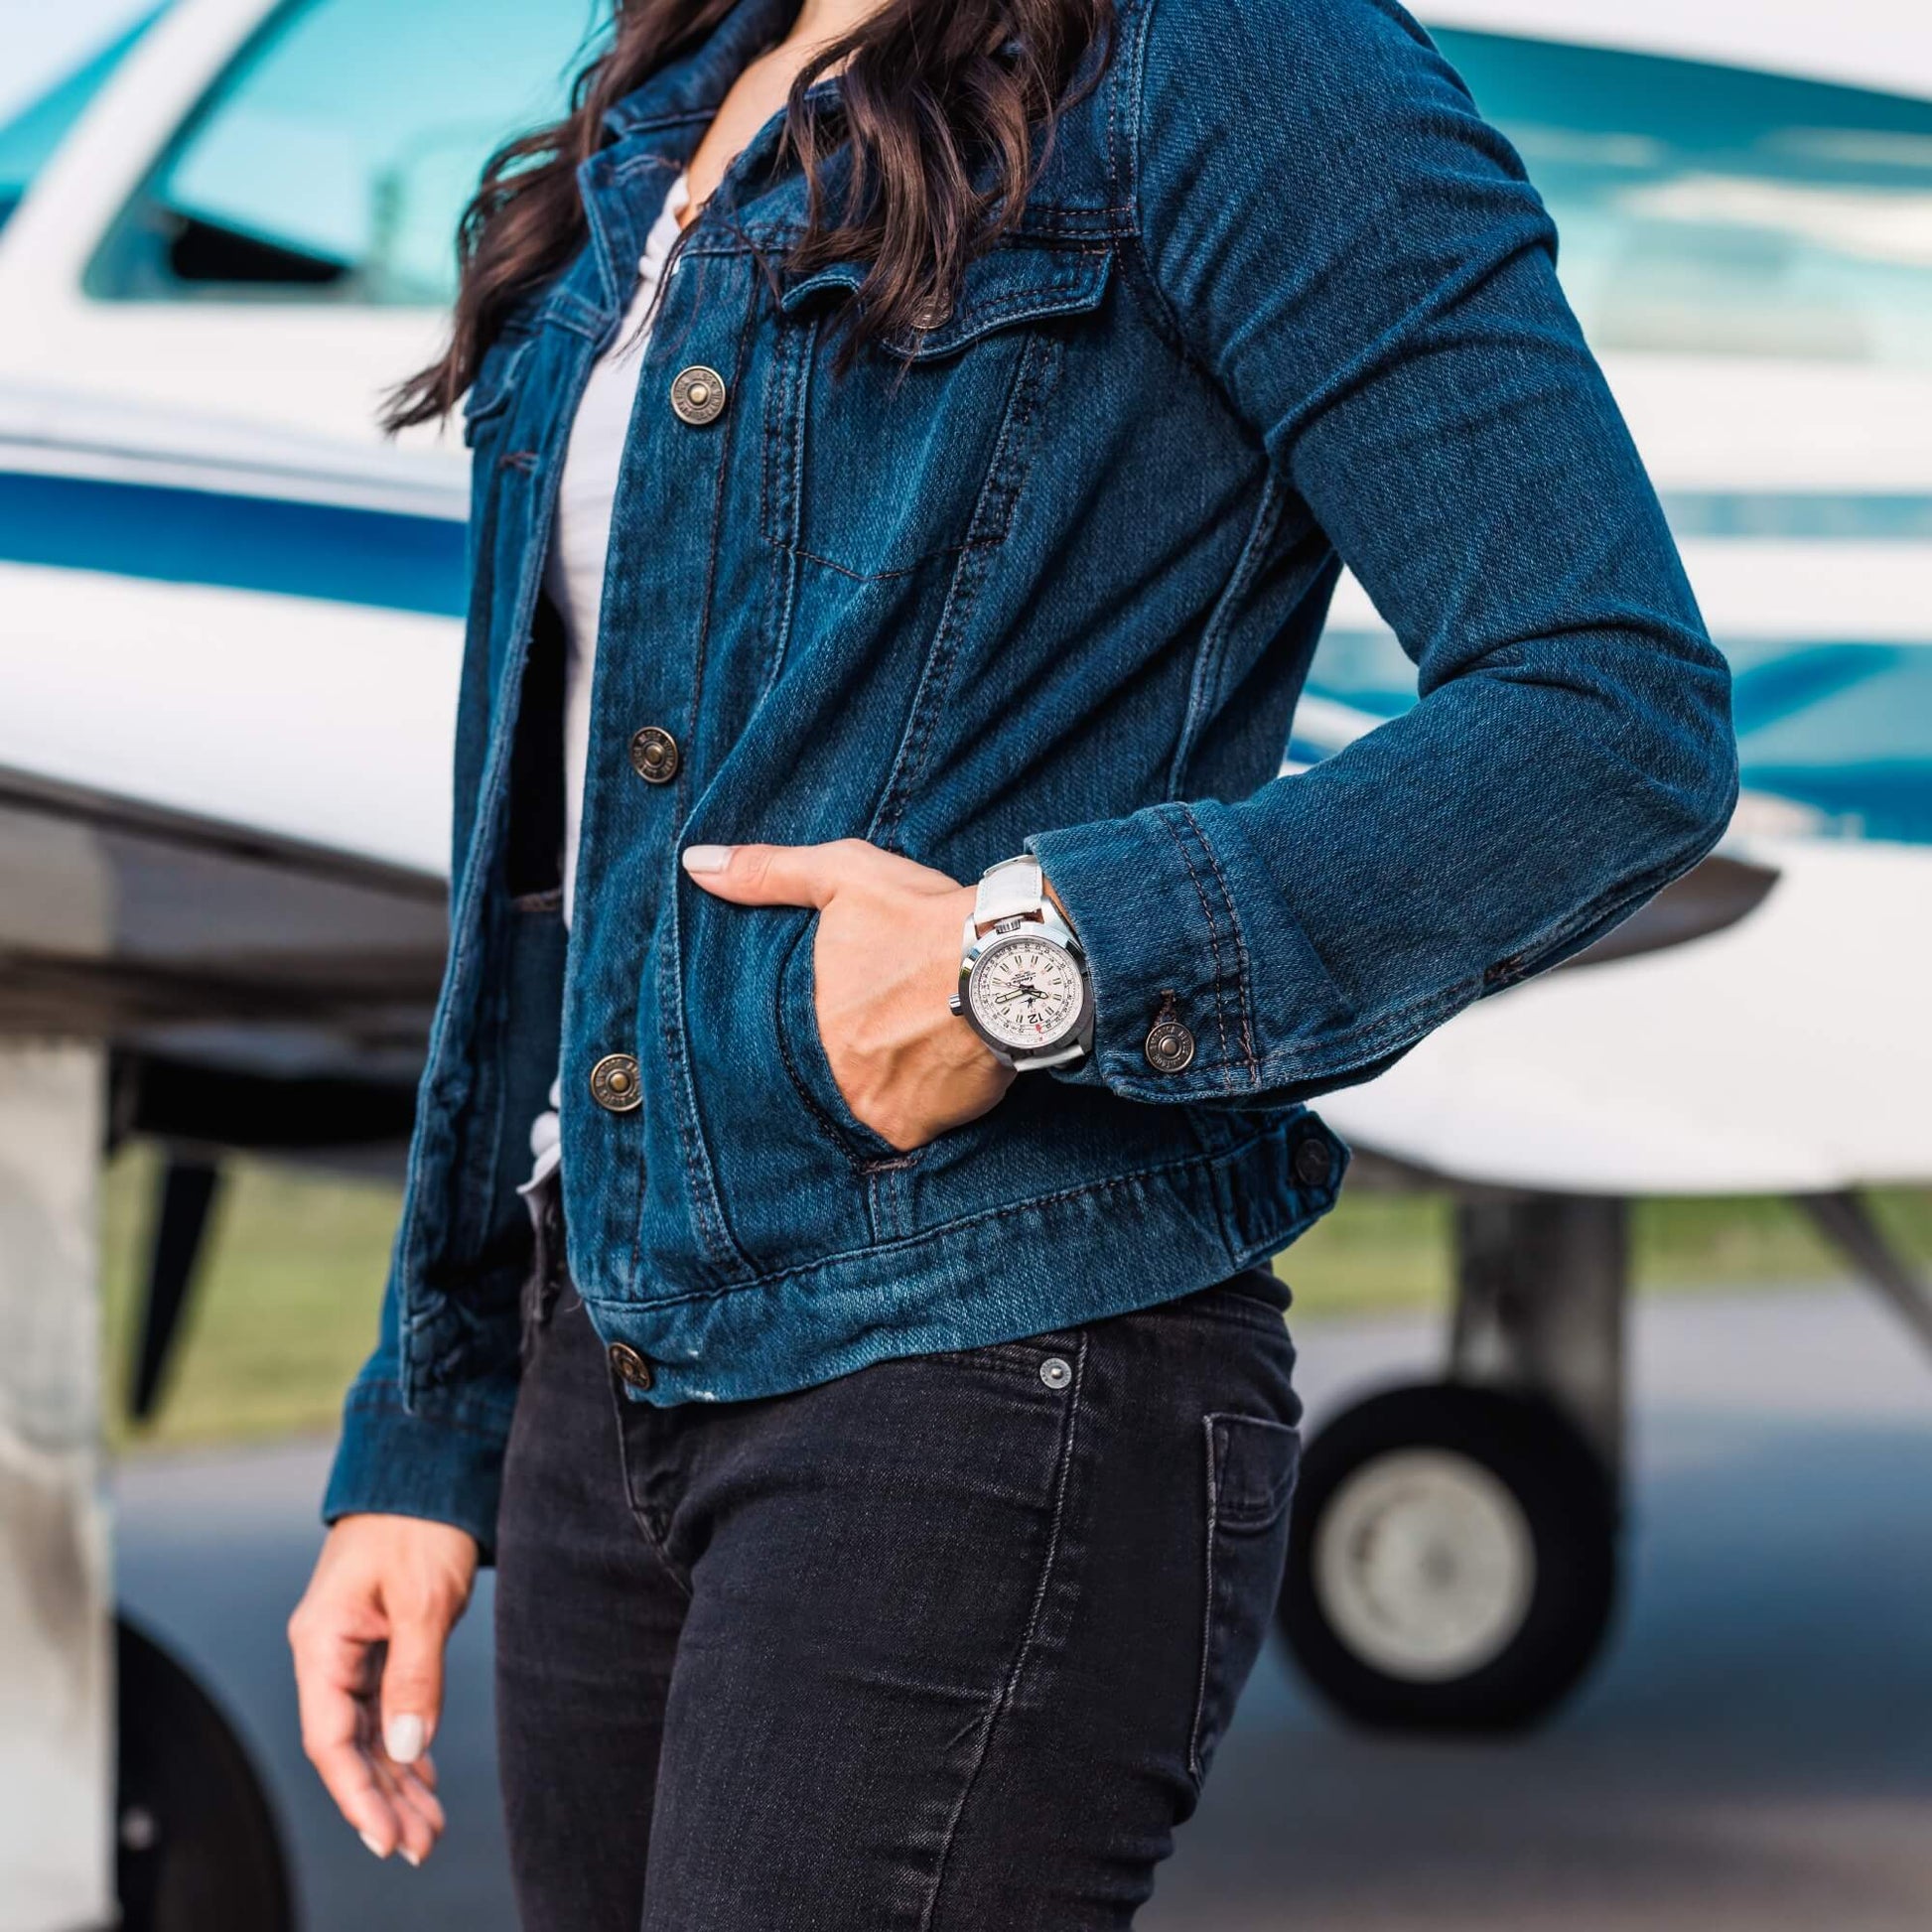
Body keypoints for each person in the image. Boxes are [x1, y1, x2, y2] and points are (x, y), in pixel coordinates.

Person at [288, 0, 1737, 1923]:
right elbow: (551, 856)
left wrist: (1025, 962)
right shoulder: (679, 89)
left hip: (973, 1350)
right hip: (599, 1350)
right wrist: (431, 1414)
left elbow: (1605, 712)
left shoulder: (1238, 62)